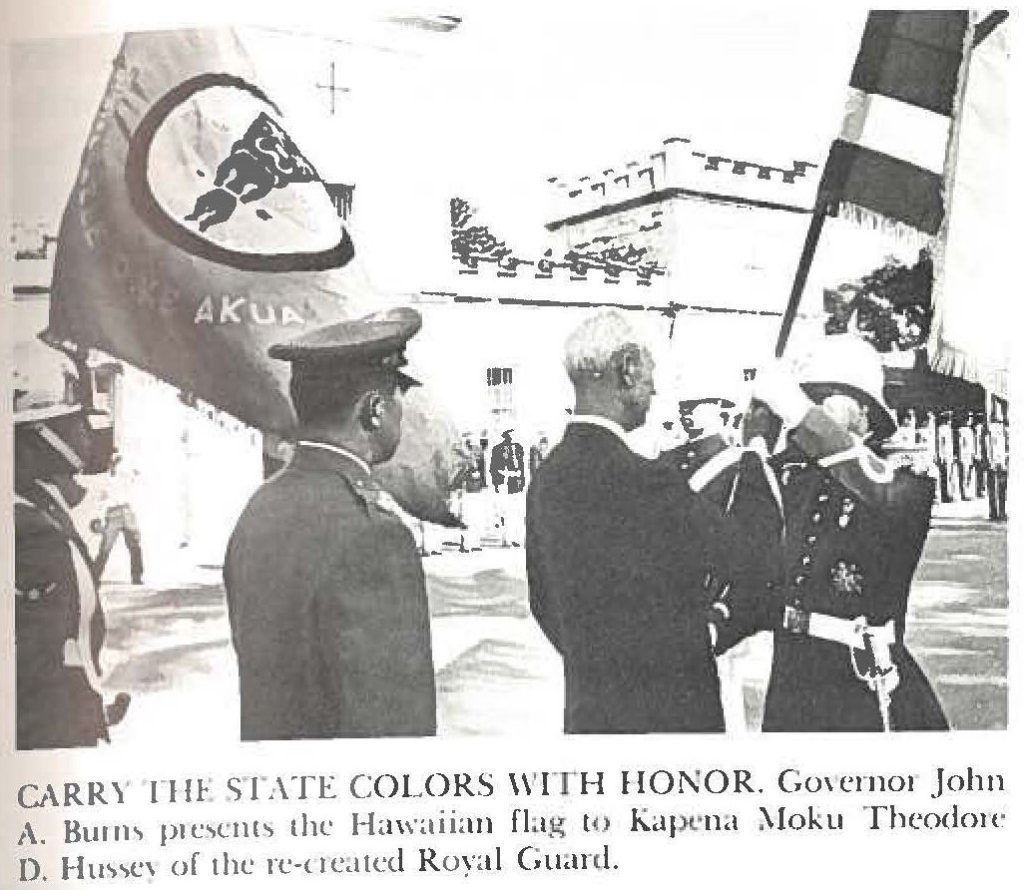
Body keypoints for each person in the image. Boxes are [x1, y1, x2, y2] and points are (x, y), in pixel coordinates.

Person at [525, 311, 772, 733]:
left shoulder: (547, 479)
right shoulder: (646, 479)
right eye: (650, 373)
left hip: (591, 716)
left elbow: (544, 604)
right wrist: (754, 453)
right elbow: (751, 556)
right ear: (628, 368)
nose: (654, 388)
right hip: (671, 719)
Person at [223, 308, 436, 740]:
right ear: (374, 410)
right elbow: (393, 722)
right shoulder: (373, 534)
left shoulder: (261, 506)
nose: (401, 414)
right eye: (398, 396)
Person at [754, 336, 947, 731]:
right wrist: (754, 440)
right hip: (792, 671)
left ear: (865, 412)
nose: (814, 405)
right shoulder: (794, 473)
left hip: (859, 675)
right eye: (811, 395)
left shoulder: (906, 475)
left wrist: (794, 405)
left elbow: (874, 486)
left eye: (828, 395)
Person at [14, 388, 129, 748]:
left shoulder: (43, 503)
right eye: (75, 422)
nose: (85, 433)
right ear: (41, 433)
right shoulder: (25, 525)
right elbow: (32, 665)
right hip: (48, 731)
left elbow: (74, 607)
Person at [92, 451, 144, 584]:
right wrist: (98, 518)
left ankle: (137, 576)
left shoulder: (126, 475)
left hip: (127, 511)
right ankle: (94, 576)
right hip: (112, 514)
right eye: (111, 462)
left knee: (134, 545)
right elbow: (101, 500)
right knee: (105, 548)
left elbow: (137, 474)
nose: (113, 464)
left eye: (116, 461)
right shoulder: (104, 480)